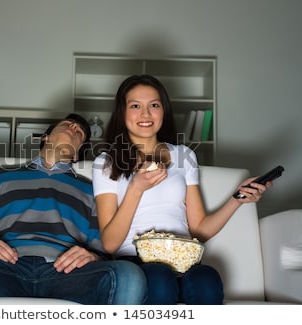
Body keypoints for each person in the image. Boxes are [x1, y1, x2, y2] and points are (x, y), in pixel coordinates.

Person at [0, 113, 147, 305]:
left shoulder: (91, 190)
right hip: (5, 269)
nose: (73, 128)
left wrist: (93, 257)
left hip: (65, 274)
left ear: (76, 154)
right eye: (67, 124)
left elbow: (103, 251)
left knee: (128, 275)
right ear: (46, 137)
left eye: (79, 133)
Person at [91, 75, 271, 305]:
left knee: (208, 278)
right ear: (122, 112)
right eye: (135, 106)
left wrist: (238, 198)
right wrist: (136, 189)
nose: (146, 114)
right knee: (160, 278)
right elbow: (110, 243)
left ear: (163, 111)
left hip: (183, 260)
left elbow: (199, 230)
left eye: (154, 105)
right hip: (137, 262)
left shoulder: (183, 155)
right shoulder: (106, 162)